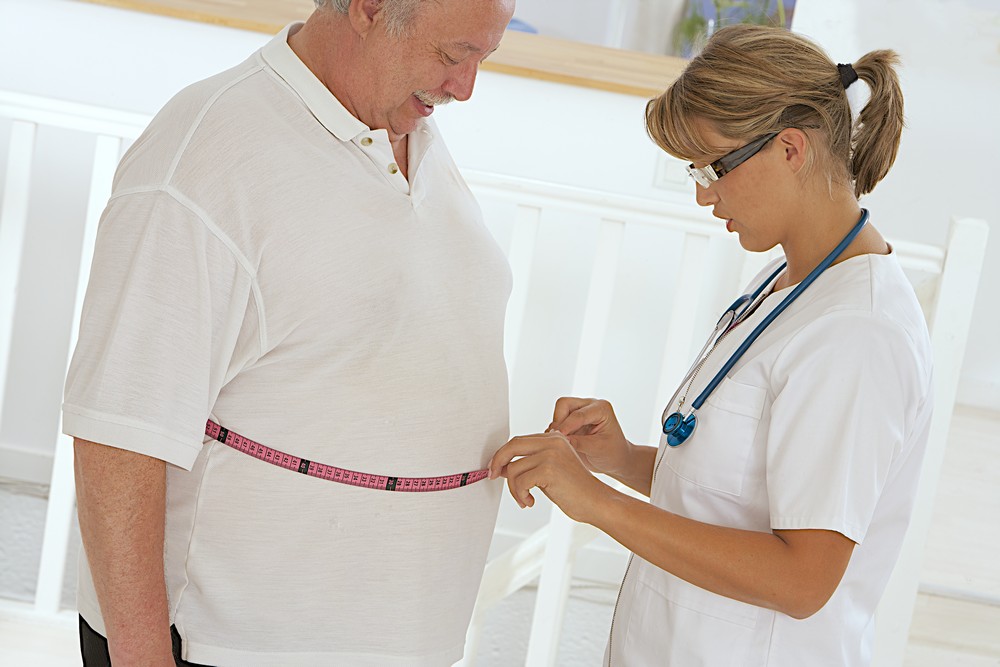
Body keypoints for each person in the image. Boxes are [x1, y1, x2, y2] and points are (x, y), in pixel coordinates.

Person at [64, 0, 515, 664]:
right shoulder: (205, 154)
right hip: (227, 644)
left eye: (483, 58)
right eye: (453, 55)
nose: (466, 88)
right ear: (368, 8)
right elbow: (118, 434)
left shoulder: (400, 129)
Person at [490, 24, 932, 666]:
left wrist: (598, 505)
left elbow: (802, 579)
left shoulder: (857, 333)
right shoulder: (790, 282)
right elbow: (738, 492)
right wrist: (621, 459)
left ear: (790, 148)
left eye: (713, 166)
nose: (703, 192)